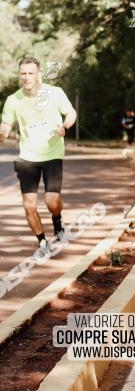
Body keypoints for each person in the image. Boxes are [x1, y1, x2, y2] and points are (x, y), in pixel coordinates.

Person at [0, 57, 77, 248]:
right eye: (23, 74)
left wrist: (65, 127)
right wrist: (2, 134)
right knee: (29, 205)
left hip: (52, 154)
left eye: (30, 73)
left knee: (52, 201)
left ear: (39, 74)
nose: (26, 77)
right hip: (27, 157)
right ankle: (42, 242)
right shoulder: (13, 100)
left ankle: (57, 220)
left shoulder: (55, 93)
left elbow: (71, 113)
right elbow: (5, 126)